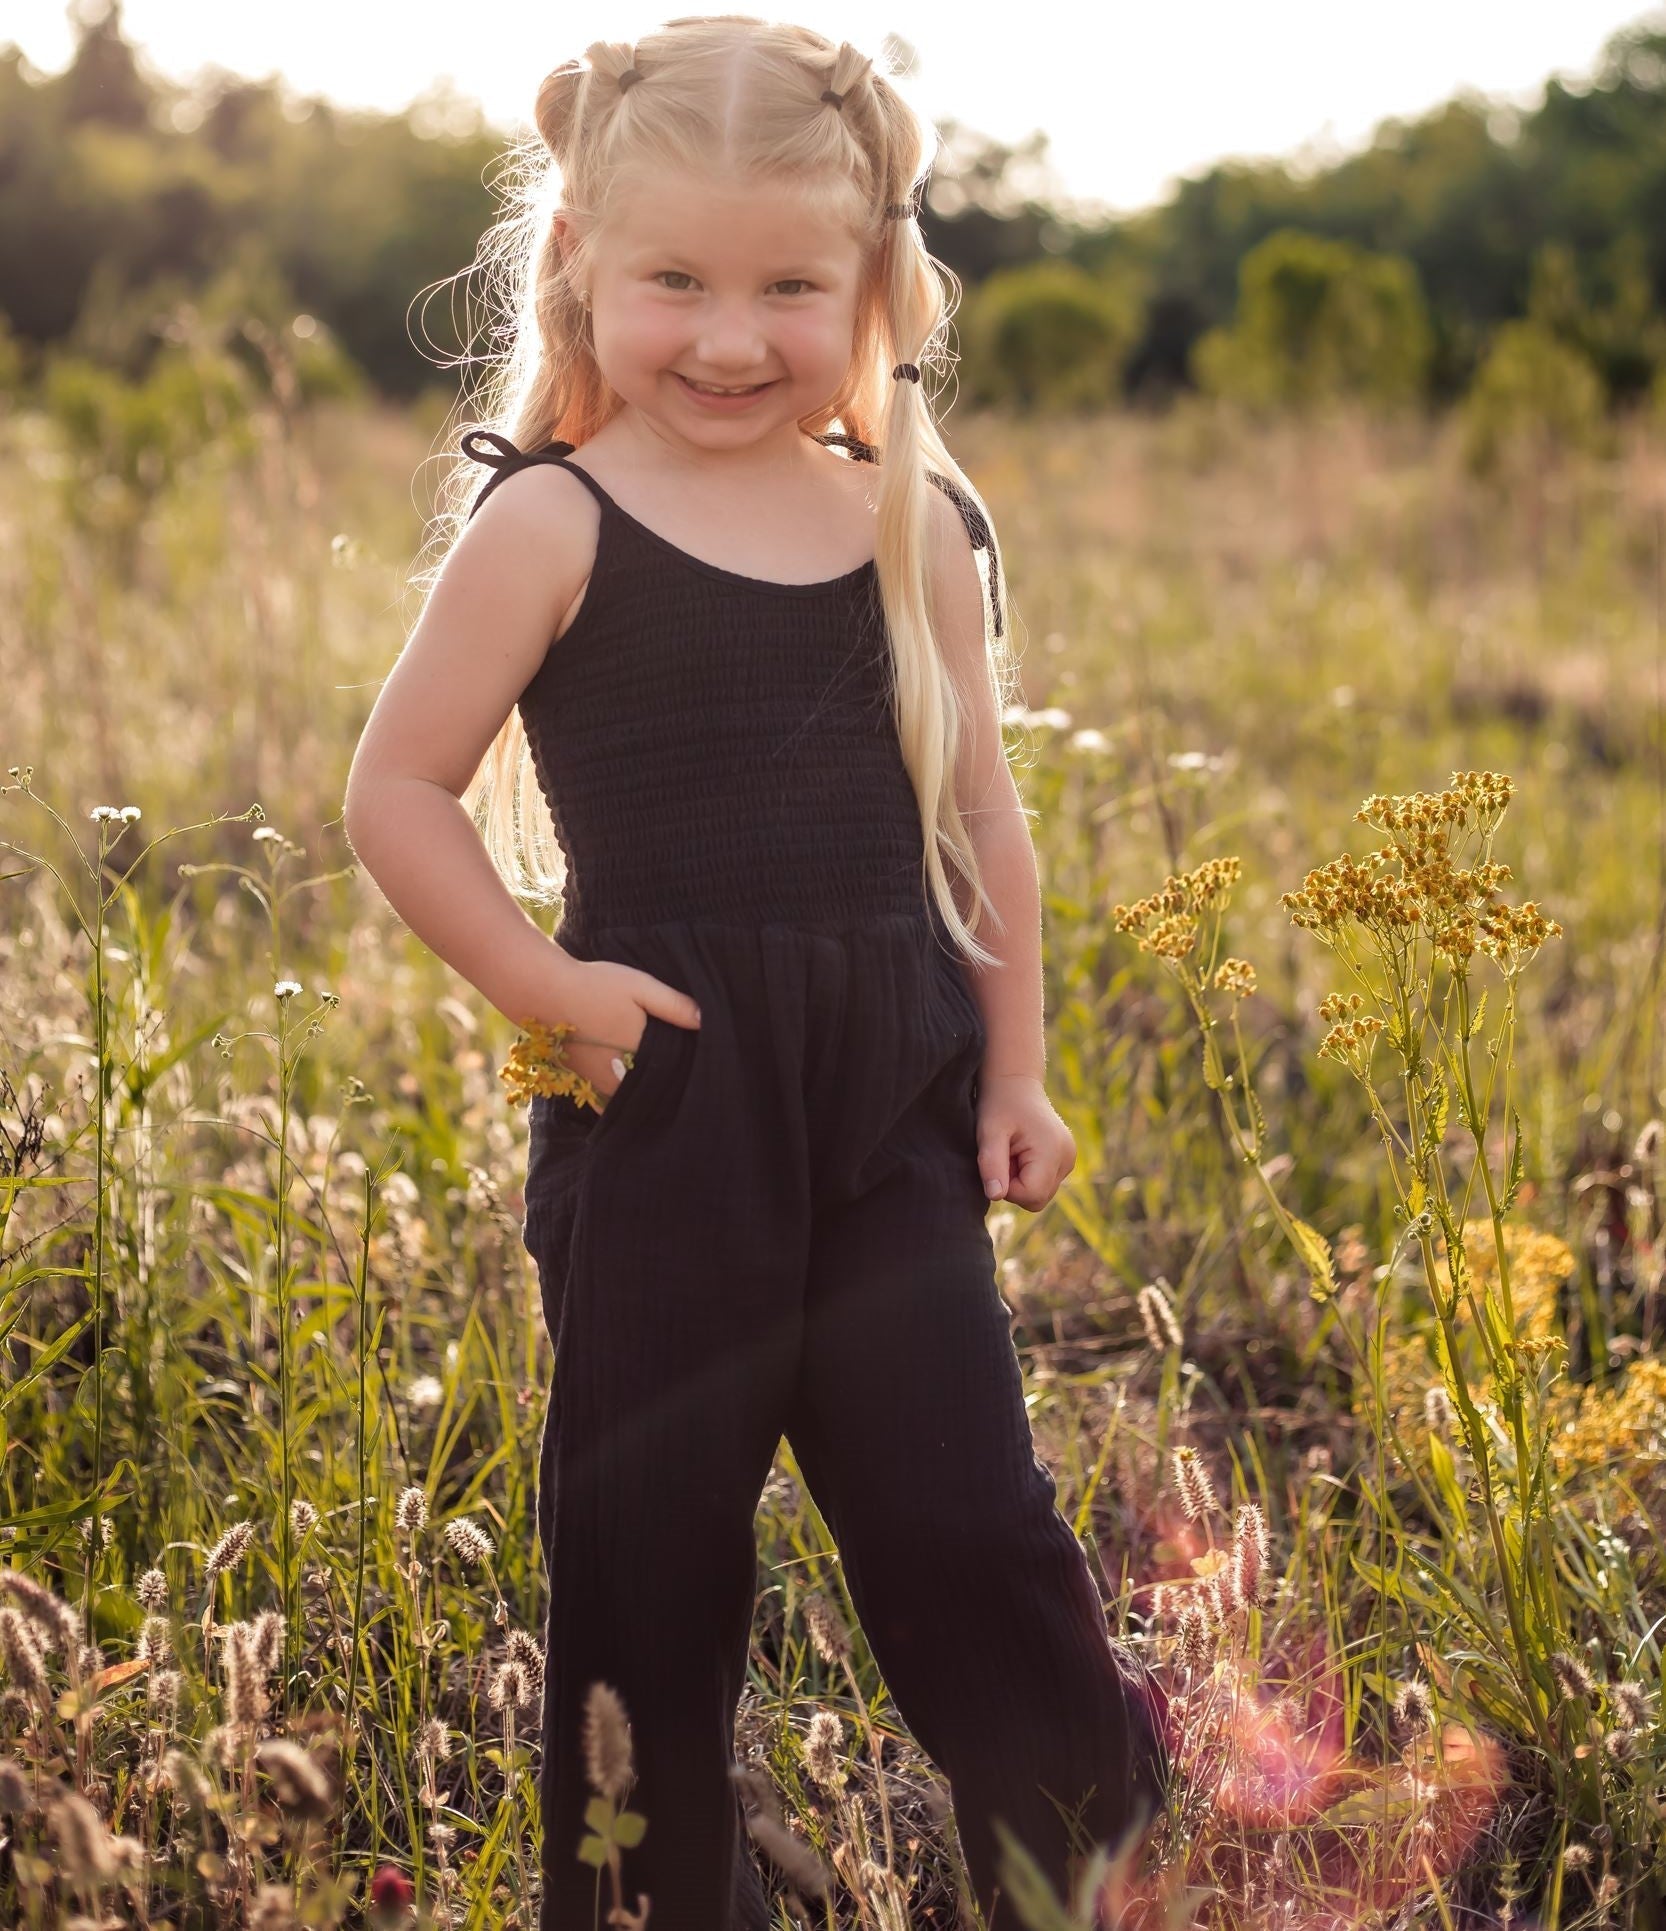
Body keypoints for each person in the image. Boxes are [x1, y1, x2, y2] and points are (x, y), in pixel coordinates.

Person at [342, 17, 1168, 1929]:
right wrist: (552, 995)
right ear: (579, 271)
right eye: (675, 282)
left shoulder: (910, 518)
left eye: (789, 285)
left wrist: (1017, 1069)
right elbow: (397, 791)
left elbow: (980, 825)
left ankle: (1090, 1869)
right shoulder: (554, 518)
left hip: (888, 1103)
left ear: (874, 285)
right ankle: (643, 1903)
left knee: (968, 1523)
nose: (729, 336)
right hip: (672, 1106)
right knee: (651, 1557)